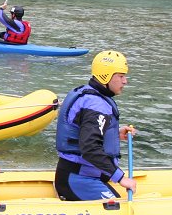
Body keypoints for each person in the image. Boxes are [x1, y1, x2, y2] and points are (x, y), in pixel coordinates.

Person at [54, 50, 137, 201]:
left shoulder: (90, 96)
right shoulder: (96, 105)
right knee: (120, 210)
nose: (125, 81)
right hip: (79, 181)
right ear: (106, 76)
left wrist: (115, 134)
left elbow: (84, 132)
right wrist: (120, 178)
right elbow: (90, 148)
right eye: (121, 76)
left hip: (77, 176)